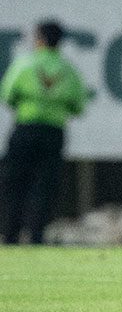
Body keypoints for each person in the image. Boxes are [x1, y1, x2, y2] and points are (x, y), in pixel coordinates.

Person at [1, 20, 88, 244]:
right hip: (53, 133)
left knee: (16, 183)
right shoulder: (68, 69)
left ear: (38, 38)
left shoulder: (25, 64)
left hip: (25, 129)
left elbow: (8, 94)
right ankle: (36, 235)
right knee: (44, 186)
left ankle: (10, 235)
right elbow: (78, 106)